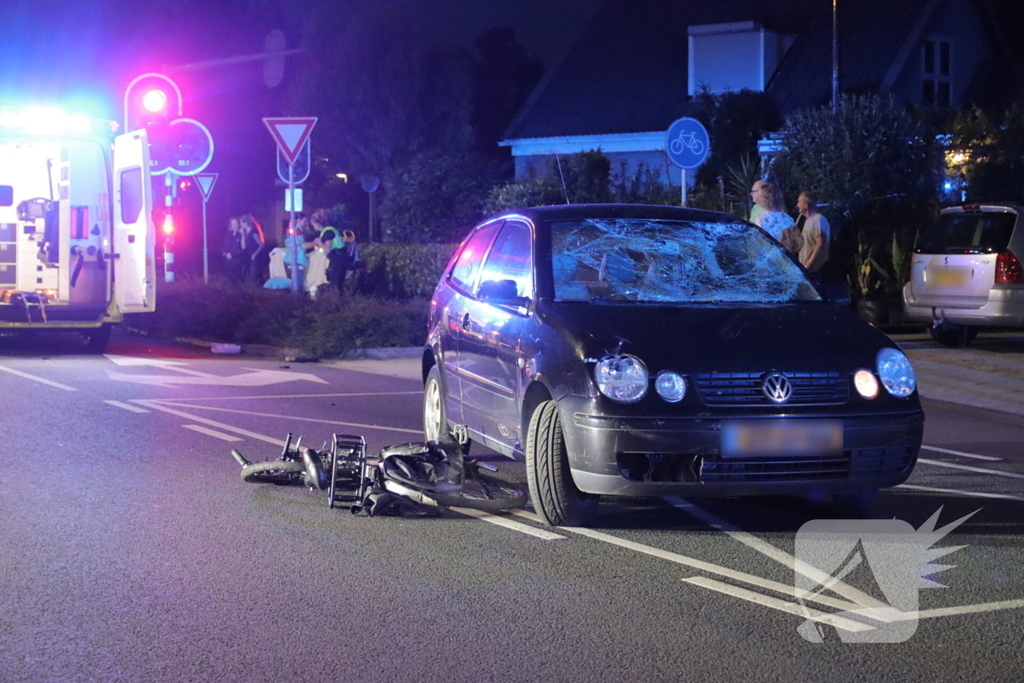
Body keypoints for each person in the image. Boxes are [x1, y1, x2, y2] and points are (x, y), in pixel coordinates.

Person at [796, 191, 830, 276]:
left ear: (806, 205)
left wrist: (808, 265)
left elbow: (820, 245)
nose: (797, 205)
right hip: (806, 269)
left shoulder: (818, 220)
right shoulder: (808, 221)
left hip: (814, 271)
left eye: (799, 202)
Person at [241, 214, 266, 284]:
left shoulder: (253, 232)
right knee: (248, 276)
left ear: (245, 223)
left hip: (254, 257)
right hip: (248, 256)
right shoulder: (246, 233)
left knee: (253, 276)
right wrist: (242, 235)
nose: (241, 225)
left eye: (241, 223)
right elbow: (244, 247)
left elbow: (261, 245)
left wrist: (254, 254)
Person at [221, 217, 247, 282]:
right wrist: (225, 254)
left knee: (238, 281)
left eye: (235, 224)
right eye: (232, 224)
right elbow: (223, 248)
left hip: (238, 262)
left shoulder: (241, 234)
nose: (234, 226)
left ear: (238, 224)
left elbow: (243, 247)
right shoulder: (228, 235)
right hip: (229, 262)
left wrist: (242, 234)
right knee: (230, 281)